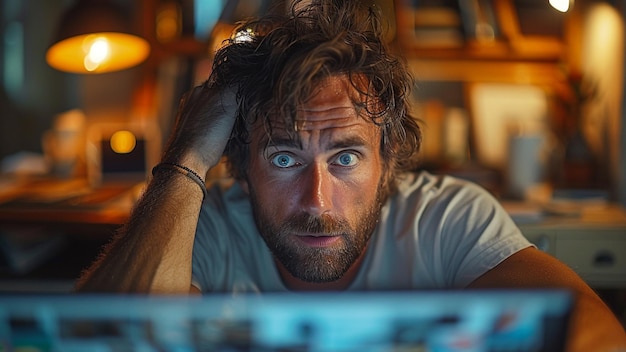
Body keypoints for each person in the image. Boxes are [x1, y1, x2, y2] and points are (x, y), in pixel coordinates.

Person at [76, 0, 626, 350]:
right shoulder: (210, 223)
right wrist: (187, 158)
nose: (317, 200)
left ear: (388, 163)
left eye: (345, 157)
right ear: (241, 170)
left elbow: (596, 333)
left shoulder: (447, 217)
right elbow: (101, 339)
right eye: (285, 158)